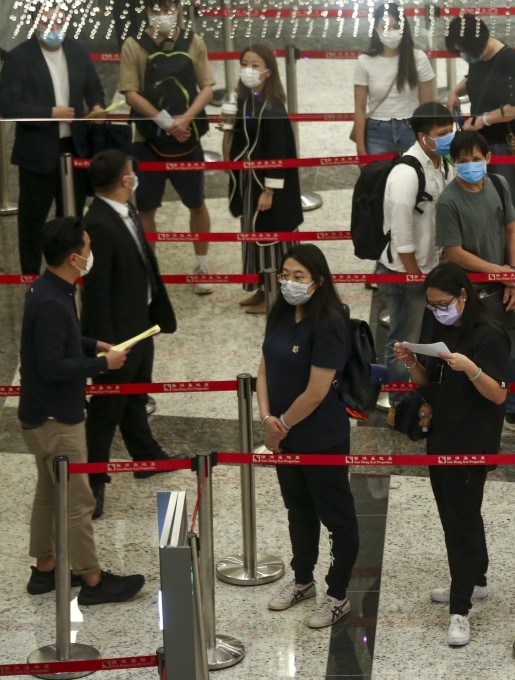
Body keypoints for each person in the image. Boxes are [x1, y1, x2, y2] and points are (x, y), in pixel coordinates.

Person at [20, 216, 145, 605]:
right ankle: (92, 580)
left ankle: (45, 568)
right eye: (88, 249)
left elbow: (60, 342)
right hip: (58, 419)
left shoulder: (48, 289)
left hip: (39, 415)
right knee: (78, 500)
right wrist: (102, 366)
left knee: (48, 492)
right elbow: (53, 366)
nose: (92, 254)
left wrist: (92, 345)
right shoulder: (54, 302)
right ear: (75, 258)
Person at [393, 262, 510, 647]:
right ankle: (474, 579)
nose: (438, 310)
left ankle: (460, 608)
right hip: (442, 434)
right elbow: (429, 384)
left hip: (472, 438)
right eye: (432, 304)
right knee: (455, 513)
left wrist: (472, 369)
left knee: (460, 519)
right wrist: (411, 362)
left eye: (443, 303)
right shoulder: (438, 326)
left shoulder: (489, 334)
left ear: (463, 295)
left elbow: (499, 395)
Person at [257, 244, 360, 629]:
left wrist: (279, 424)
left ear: (317, 281)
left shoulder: (329, 322)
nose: (289, 282)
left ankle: (338, 595)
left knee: (336, 518)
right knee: (298, 510)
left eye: (299, 277)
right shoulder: (281, 312)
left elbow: (317, 391)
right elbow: (264, 367)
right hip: (285, 436)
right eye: (285, 274)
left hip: (320, 436)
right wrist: (267, 418)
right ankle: (302, 580)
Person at [81, 150, 179, 520]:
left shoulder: (125, 210)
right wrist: (105, 349)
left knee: (137, 393)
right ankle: (92, 484)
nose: (134, 175)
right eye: (131, 172)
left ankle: (145, 454)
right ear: (124, 180)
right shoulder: (99, 224)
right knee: (106, 411)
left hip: (141, 322)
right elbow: (95, 292)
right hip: (117, 335)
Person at [435, 130, 515, 437]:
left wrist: (513, 277)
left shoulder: (498, 183)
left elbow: (511, 231)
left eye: (476, 159)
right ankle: (478, 409)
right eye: (463, 160)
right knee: (474, 352)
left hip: (502, 286)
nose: (470, 165)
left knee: (513, 351)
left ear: (488, 159)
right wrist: (501, 272)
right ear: (454, 162)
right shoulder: (448, 202)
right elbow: (454, 253)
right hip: (469, 293)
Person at [119, 0, 215, 295]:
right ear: (147, 11)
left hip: (188, 137)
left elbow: (207, 87)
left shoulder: (194, 42)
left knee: (196, 202)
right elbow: (131, 94)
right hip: (147, 140)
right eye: (157, 9)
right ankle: (150, 270)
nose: (163, 14)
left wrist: (185, 119)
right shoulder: (133, 46)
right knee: (146, 208)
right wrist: (166, 122)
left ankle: (201, 265)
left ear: (178, 8)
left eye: (168, 8)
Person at [0, 7, 105, 274]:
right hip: (38, 151)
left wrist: (96, 106)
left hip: (75, 147)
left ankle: (71, 274)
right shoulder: (19, 58)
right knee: (32, 222)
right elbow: (8, 106)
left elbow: (94, 87)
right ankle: (31, 279)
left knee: (72, 218)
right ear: (34, 23)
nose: (53, 27)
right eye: (46, 21)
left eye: (59, 20)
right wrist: (50, 113)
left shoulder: (77, 51)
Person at [446, 13, 515, 271]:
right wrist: (455, 90)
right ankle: (497, 262)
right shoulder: (479, 56)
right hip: (485, 143)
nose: (464, 56)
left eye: (464, 51)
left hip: (510, 142)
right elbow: (474, 78)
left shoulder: (508, 59)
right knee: (489, 200)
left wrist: (484, 120)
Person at [377, 102, 453, 401]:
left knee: (421, 337)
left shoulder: (440, 162)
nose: (449, 138)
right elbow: (401, 238)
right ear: (423, 136)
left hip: (429, 268)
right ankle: (398, 400)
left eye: (451, 130)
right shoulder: (406, 174)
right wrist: (417, 279)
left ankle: (417, 395)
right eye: (442, 133)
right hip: (405, 272)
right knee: (402, 340)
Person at [223, 44, 302, 315]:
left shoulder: (273, 106)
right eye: (245, 63)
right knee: (253, 234)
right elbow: (236, 143)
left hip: (267, 185)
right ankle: (260, 289)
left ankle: (277, 297)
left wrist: (270, 190)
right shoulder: (247, 100)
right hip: (249, 181)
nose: (248, 69)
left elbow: (278, 151)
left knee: (271, 240)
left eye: (255, 65)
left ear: (268, 71)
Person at [353, 2, 436, 157]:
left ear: (404, 28)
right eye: (384, 27)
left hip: (412, 128)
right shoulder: (364, 61)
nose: (390, 32)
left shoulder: (418, 58)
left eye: (396, 27)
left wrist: (428, 141)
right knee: (380, 179)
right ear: (376, 30)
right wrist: (360, 149)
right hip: (376, 131)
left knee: (414, 177)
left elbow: (427, 106)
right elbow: (359, 109)